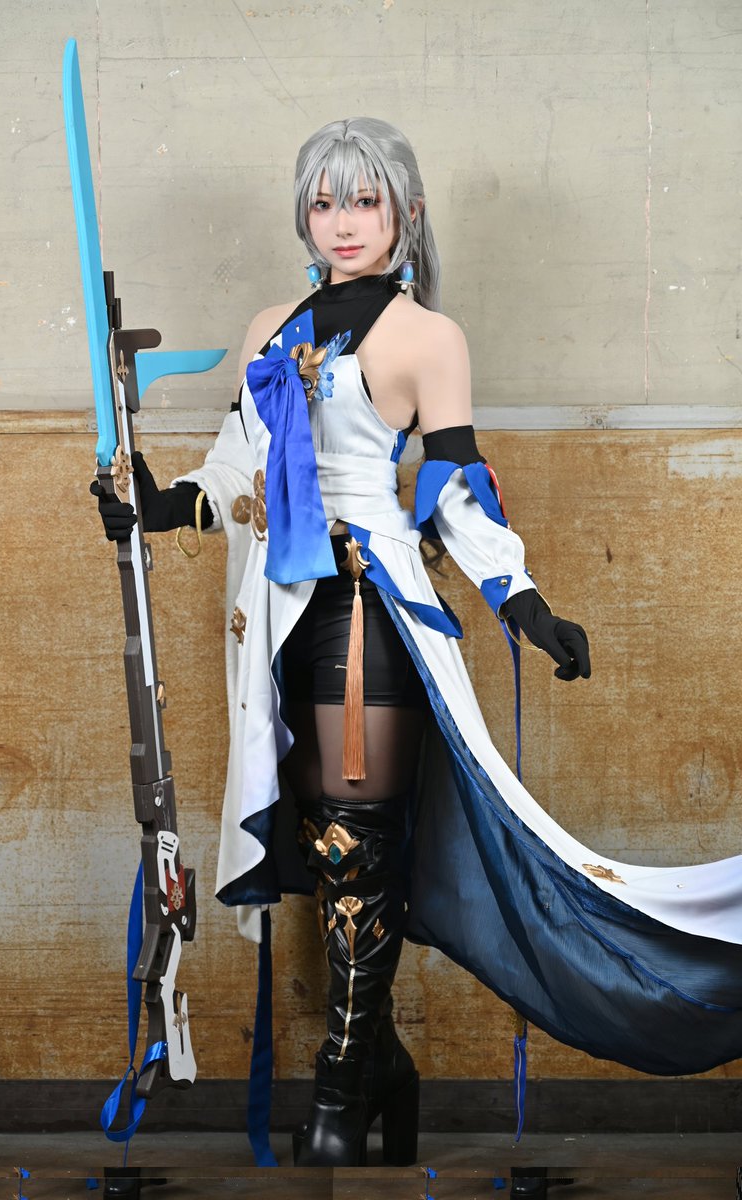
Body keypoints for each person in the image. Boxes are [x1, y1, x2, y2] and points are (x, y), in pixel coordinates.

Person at [94, 118, 742, 1182]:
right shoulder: (268, 327)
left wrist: (520, 597)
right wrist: (152, 507)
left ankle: (342, 1085)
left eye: (363, 200)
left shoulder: (428, 338)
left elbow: (451, 486)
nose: (342, 222)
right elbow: (233, 472)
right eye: (323, 202)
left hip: (369, 606)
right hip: (276, 617)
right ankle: (385, 1064)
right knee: (324, 848)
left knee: (357, 843)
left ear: (405, 212)